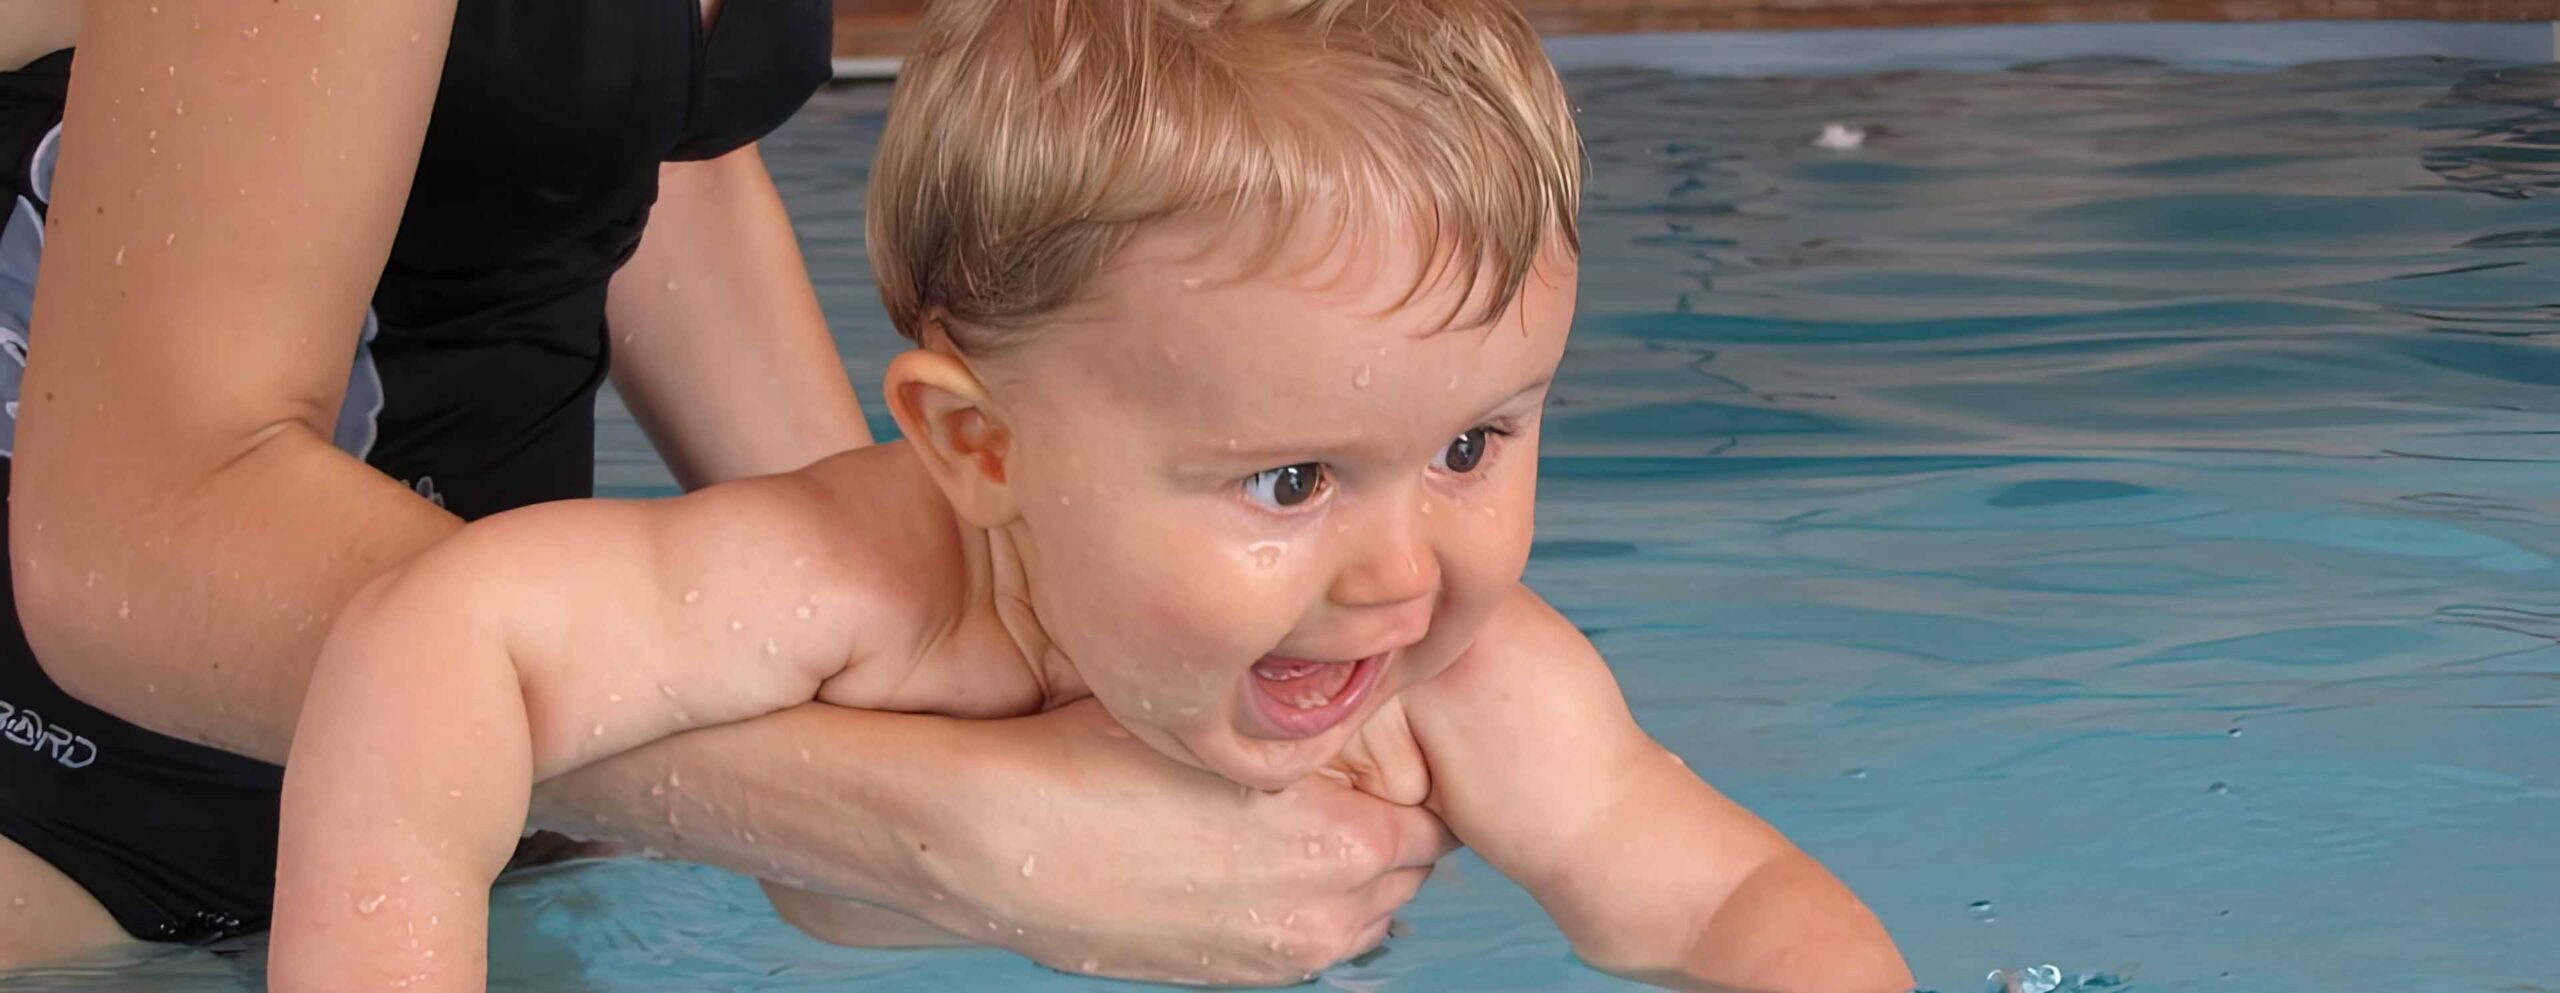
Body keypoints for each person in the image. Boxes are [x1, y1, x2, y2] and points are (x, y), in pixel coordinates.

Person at [268, 0, 1917, 990]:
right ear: (983, 451)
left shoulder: (1467, 689)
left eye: (1476, 443)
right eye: (1289, 476)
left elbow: (1734, 901)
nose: (1404, 571)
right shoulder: (848, 587)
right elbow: (437, 647)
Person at [0, 0, 1450, 980]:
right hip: (52, 800)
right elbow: (138, 526)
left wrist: (926, 632)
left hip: (497, 822)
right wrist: (915, 812)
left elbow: (635, 140)